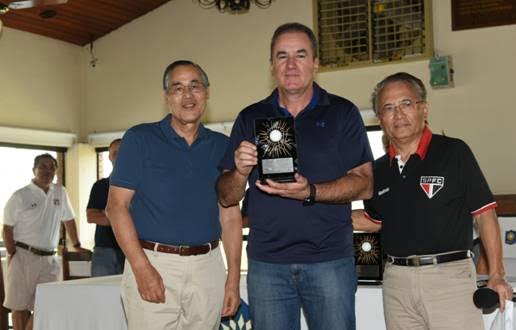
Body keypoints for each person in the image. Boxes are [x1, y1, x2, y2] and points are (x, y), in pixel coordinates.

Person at [217, 22, 374, 330]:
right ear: (271, 65)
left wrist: (310, 192)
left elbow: (366, 183)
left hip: (330, 261)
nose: (291, 65)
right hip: (266, 265)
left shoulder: (342, 113)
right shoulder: (250, 117)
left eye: (300, 55)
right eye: (282, 56)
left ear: (315, 63)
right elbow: (226, 196)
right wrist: (240, 170)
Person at [352, 72, 512, 330]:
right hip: (396, 282)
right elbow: (374, 220)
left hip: (449, 278)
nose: (398, 114)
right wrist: (317, 214)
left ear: (424, 109)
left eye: (406, 104)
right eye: (388, 108)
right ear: (380, 119)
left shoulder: (454, 152)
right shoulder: (378, 170)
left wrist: (497, 275)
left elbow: (485, 214)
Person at [106, 60, 242, 330]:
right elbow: (116, 207)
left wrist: (233, 280)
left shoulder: (222, 146)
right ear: (166, 96)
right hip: (153, 264)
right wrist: (141, 268)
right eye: (178, 88)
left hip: (209, 267)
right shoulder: (139, 139)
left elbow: (230, 217)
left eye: (195, 86)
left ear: (207, 92)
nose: (188, 96)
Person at [3, 153, 88, 330]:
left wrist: (77, 244)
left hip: (50, 259)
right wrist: (13, 254)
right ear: (34, 170)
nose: (47, 171)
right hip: (23, 256)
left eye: (52, 167)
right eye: (43, 166)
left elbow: (69, 220)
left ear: (56, 171)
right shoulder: (20, 196)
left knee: (46, 304)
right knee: (19, 307)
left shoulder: (60, 191)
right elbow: (7, 228)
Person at [86, 138, 125, 276]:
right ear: (109, 157)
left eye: (124, 152)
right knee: (99, 296)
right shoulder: (100, 186)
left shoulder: (142, 186)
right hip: (104, 251)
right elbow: (91, 217)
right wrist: (125, 218)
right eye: (115, 153)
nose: (119, 157)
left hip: (134, 250)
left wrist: (107, 214)